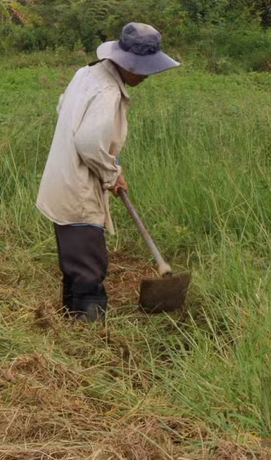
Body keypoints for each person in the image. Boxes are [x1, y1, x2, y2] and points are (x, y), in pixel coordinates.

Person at [35, 22, 180, 322]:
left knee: (75, 262)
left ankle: (69, 322)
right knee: (89, 266)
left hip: (62, 181)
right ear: (126, 63)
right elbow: (88, 141)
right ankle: (88, 335)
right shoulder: (108, 92)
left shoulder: (86, 73)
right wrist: (110, 173)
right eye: (142, 69)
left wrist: (111, 169)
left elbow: (64, 106)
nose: (146, 76)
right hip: (77, 189)